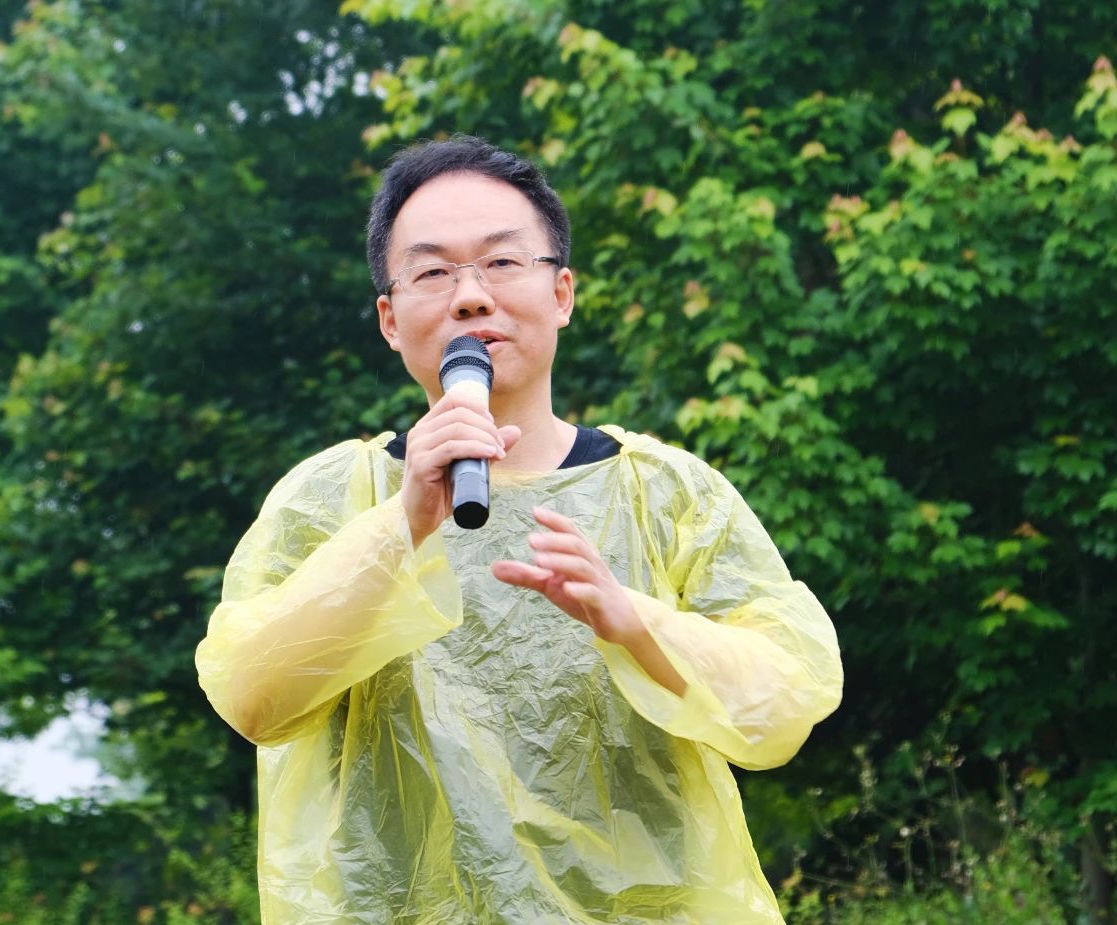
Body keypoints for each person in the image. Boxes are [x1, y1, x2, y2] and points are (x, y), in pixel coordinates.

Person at [195, 135, 843, 924]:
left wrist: (635, 621)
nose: (471, 296)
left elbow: (783, 709)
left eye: (502, 262)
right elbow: (252, 697)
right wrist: (400, 527)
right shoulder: (332, 497)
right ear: (390, 319)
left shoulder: (668, 494)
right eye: (433, 272)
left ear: (562, 292)